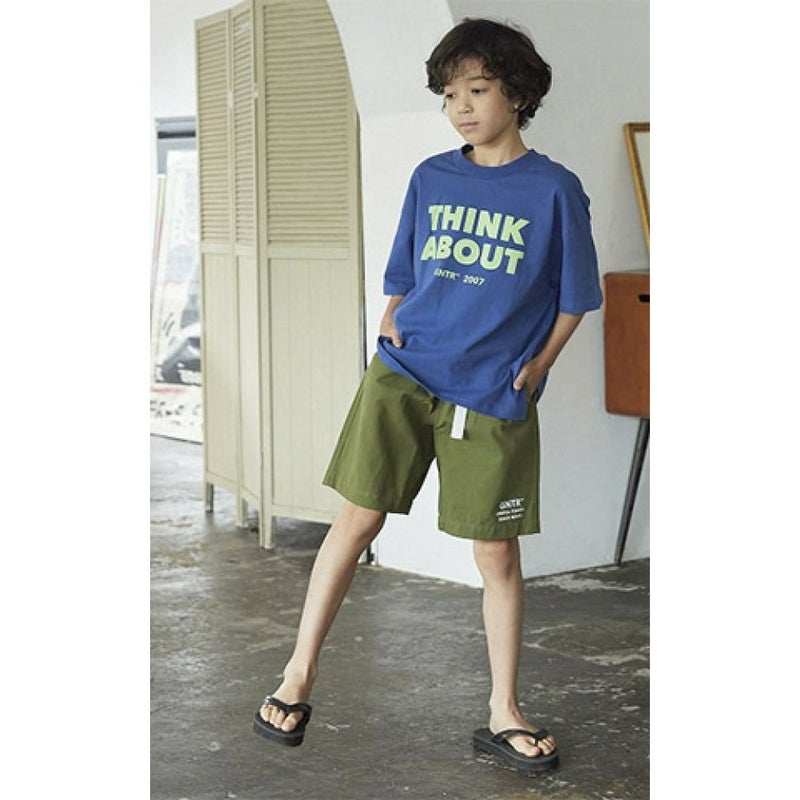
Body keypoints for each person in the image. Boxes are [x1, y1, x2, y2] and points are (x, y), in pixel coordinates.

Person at [253, 17, 603, 775]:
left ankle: (503, 710)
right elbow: (406, 270)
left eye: (477, 89)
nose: (461, 107)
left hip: (490, 390)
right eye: (449, 95)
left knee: (495, 552)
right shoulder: (431, 176)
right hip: (405, 376)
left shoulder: (554, 190)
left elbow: (577, 296)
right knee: (356, 519)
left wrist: (539, 366)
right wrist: (391, 317)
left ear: (518, 93)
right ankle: (296, 677)